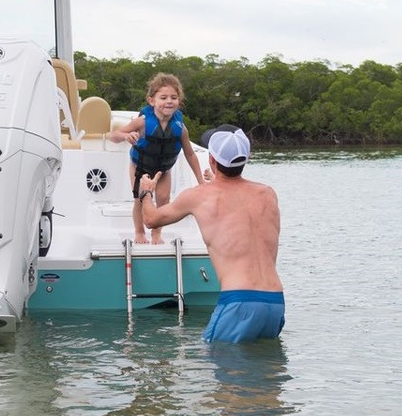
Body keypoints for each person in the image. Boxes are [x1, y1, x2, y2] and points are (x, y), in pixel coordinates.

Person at [139, 124, 284, 342]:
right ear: (246, 159)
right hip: (275, 302)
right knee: (264, 364)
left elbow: (151, 220)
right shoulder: (268, 194)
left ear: (212, 160)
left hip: (238, 300)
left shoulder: (199, 196)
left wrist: (146, 192)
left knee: (216, 359)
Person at [108, 71, 206, 244]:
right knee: (140, 199)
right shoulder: (142, 122)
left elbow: (190, 154)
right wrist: (126, 136)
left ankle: (156, 234)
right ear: (152, 100)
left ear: (179, 102)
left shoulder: (180, 128)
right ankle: (139, 232)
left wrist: (200, 180)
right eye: (163, 97)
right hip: (140, 167)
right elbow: (113, 136)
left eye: (174, 97)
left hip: (163, 170)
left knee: (163, 201)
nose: (169, 101)